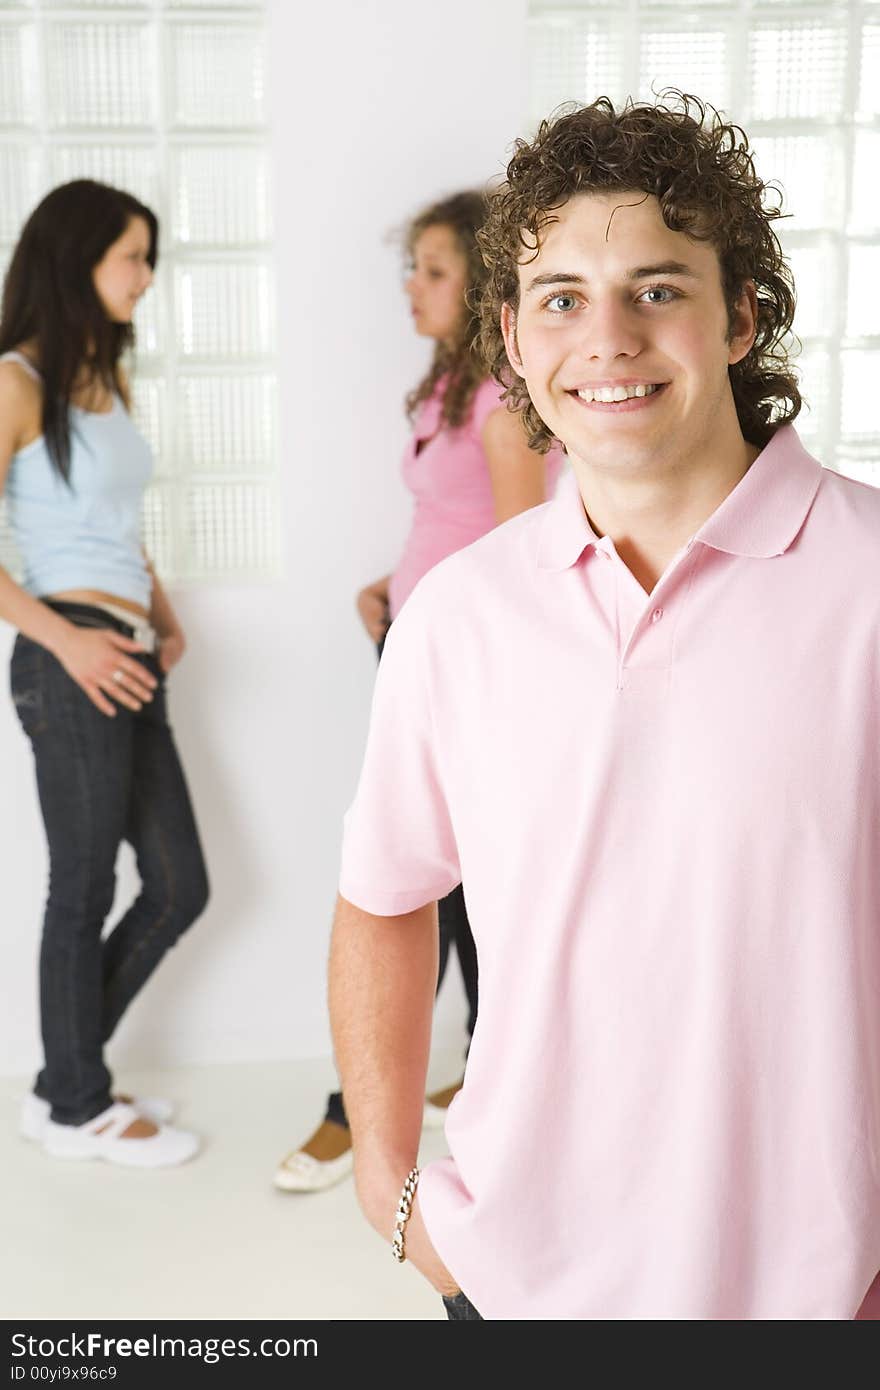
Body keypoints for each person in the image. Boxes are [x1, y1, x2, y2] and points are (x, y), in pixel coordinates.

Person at [328, 93, 880, 1319]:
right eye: (562, 298)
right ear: (515, 342)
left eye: (658, 287)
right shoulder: (456, 618)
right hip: (514, 1278)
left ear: (740, 316)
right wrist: (390, 1185)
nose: (607, 336)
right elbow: (381, 898)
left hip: (819, 1289)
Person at [274, 191, 561, 1194]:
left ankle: (355, 1115)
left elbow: (525, 558)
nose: (413, 286)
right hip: (410, 648)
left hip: (468, 675)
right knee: (451, 883)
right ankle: (480, 1061)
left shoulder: (502, 402)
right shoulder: (450, 386)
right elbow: (452, 526)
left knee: (413, 886)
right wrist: (386, 591)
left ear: (481, 280)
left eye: (432, 270)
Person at [0, 180, 209, 1169]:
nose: (145, 276)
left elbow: (117, 528)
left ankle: (65, 1080)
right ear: (77, 260)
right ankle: (78, 1100)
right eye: (132, 255)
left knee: (178, 885)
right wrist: (69, 638)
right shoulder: (16, 383)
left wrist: (163, 620)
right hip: (66, 649)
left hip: (124, 649)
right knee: (82, 883)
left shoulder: (103, 384)